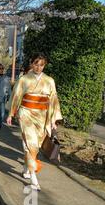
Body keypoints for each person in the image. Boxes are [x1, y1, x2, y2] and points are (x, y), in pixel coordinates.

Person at [6, 53, 63, 191]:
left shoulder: (49, 80)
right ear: (31, 64)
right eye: (36, 64)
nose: (38, 67)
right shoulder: (24, 80)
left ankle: (26, 167)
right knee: (30, 144)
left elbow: (53, 100)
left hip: (42, 115)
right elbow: (16, 96)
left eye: (41, 65)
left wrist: (53, 119)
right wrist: (11, 113)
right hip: (26, 113)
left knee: (35, 146)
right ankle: (33, 177)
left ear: (44, 65)